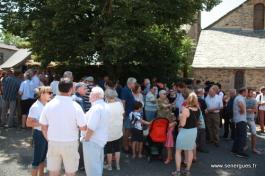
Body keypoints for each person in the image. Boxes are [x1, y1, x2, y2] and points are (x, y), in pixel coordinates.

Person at [39, 78, 87, 176]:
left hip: (53, 141)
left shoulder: (49, 105)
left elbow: (43, 126)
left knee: (53, 172)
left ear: (59, 89)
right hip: (70, 142)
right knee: (70, 172)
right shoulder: (76, 106)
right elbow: (83, 127)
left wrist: (49, 139)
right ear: (71, 90)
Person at [81, 87, 110, 176]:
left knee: (92, 168)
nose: (89, 95)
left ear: (96, 95)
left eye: (91, 93)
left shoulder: (96, 108)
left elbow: (91, 127)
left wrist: (86, 139)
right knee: (97, 166)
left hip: (92, 141)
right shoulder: (105, 105)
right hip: (99, 140)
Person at [26, 86, 52, 176]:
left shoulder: (47, 104)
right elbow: (28, 123)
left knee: (43, 158)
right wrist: (43, 123)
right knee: (37, 159)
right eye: (49, 93)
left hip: (46, 134)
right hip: (39, 134)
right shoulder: (35, 106)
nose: (51, 94)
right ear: (42, 94)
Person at [173, 93, 199, 176]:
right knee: (190, 150)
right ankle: (187, 171)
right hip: (193, 131)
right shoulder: (198, 109)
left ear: (188, 99)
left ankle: (177, 171)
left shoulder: (185, 109)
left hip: (185, 131)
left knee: (178, 151)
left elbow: (182, 124)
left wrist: (180, 118)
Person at [105, 89, 124, 171]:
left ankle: (109, 166)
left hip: (109, 131)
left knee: (109, 150)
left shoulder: (105, 106)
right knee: (117, 149)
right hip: (118, 130)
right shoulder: (119, 104)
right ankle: (118, 165)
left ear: (106, 96)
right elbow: (122, 114)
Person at [157, 90, 176, 164]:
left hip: (169, 122)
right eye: (164, 94)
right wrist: (171, 104)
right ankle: (170, 156)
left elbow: (170, 109)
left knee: (168, 141)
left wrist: (171, 106)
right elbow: (165, 106)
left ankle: (169, 158)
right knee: (166, 141)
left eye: (166, 94)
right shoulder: (158, 100)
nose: (166, 95)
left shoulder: (166, 99)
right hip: (163, 123)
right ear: (160, 95)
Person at [231, 87, 248, 158]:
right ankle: (240, 152)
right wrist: (243, 110)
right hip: (241, 120)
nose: (247, 93)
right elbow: (240, 105)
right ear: (243, 92)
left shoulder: (238, 97)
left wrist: (242, 110)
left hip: (238, 119)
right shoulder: (240, 98)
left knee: (238, 136)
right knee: (242, 136)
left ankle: (234, 150)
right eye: (246, 92)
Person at [121, 77, 137, 153]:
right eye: (134, 83)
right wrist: (123, 112)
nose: (135, 84)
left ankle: (127, 145)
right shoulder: (125, 90)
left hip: (130, 113)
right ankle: (125, 147)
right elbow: (123, 101)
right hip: (127, 113)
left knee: (129, 130)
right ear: (130, 83)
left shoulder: (129, 90)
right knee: (127, 130)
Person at [246, 88, 261, 154]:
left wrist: (246, 109)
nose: (252, 94)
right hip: (243, 119)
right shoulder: (243, 99)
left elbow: (255, 110)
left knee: (254, 134)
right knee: (243, 134)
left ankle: (253, 148)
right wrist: (250, 109)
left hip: (251, 119)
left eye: (252, 92)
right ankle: (245, 146)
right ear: (247, 93)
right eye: (251, 92)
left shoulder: (254, 100)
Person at [195, 88, 209, 153]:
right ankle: (201, 147)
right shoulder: (202, 100)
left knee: (196, 131)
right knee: (202, 132)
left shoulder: (193, 99)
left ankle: (195, 146)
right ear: (201, 93)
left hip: (194, 117)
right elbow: (206, 111)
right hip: (200, 116)